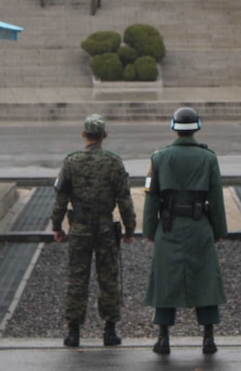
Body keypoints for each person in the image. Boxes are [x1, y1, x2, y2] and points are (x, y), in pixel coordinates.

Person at [143, 107, 227, 355]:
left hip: (168, 227)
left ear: (174, 127)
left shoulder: (158, 157)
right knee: (206, 279)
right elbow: (216, 198)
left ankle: (163, 338)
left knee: (164, 280)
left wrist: (149, 230)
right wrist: (219, 230)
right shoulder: (209, 158)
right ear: (197, 127)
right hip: (199, 225)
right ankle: (208, 339)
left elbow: (151, 198)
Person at [51, 114, 136, 348]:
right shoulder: (114, 162)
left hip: (79, 228)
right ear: (104, 136)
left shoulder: (71, 162)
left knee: (77, 278)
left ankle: (73, 332)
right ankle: (109, 331)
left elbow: (60, 200)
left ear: (84, 135)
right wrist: (130, 229)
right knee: (108, 278)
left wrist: (57, 227)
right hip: (106, 229)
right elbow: (124, 200)